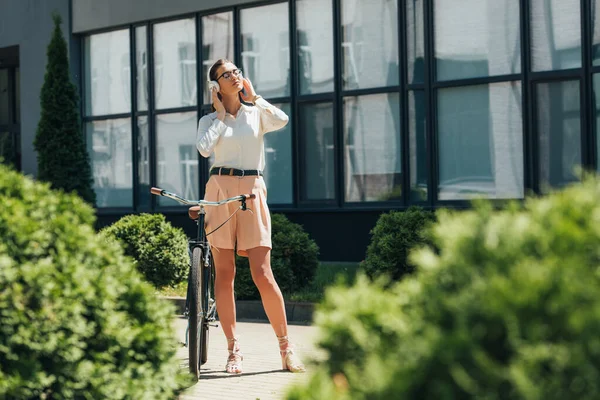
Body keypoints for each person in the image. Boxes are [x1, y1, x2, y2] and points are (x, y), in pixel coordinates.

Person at [196, 59, 305, 374]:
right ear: (215, 85)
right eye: (226, 74)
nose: (234, 76)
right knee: (225, 273)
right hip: (219, 189)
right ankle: (233, 350)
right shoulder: (209, 120)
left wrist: (255, 97)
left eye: (236, 72)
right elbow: (204, 149)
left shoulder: (256, 114)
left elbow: (282, 119)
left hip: (252, 189)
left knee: (262, 272)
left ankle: (286, 349)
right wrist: (219, 114)